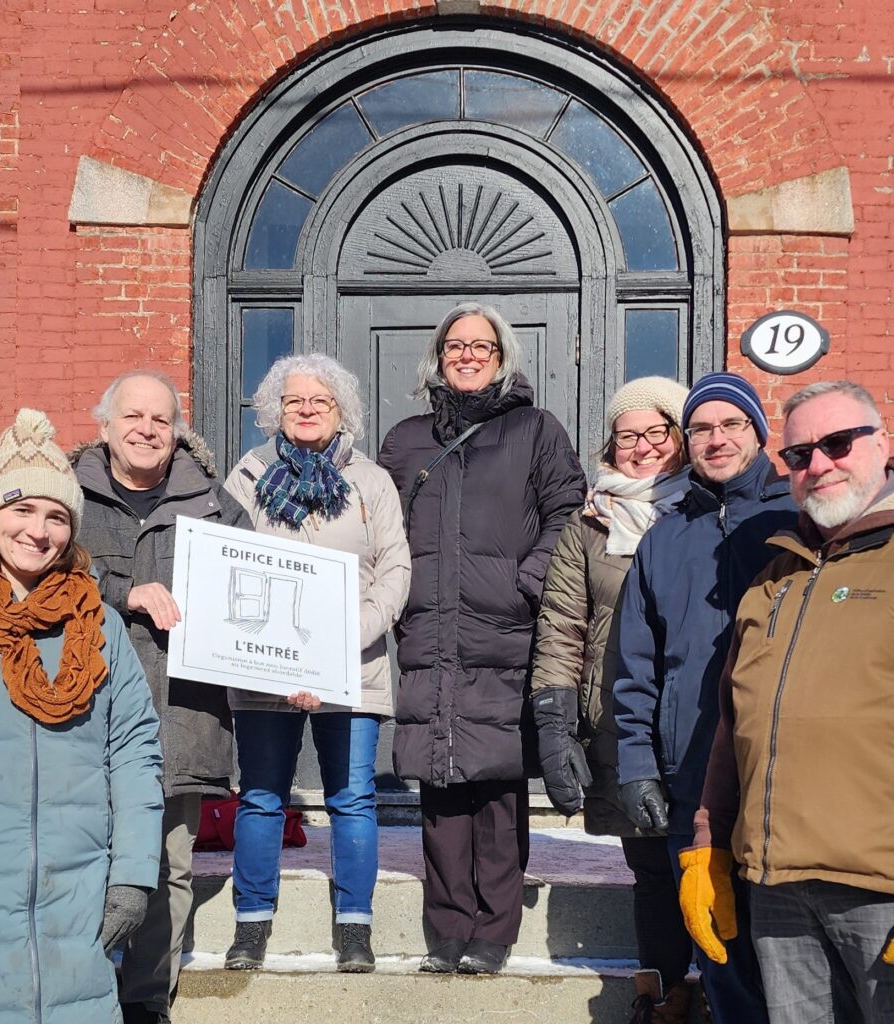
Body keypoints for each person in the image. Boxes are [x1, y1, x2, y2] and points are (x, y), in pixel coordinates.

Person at [680, 379, 894, 1022]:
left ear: (882, 444)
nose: (819, 464)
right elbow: (734, 726)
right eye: (800, 454)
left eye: (838, 442)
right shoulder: (774, 579)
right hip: (777, 889)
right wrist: (709, 842)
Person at [378, 302, 586, 975]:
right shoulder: (407, 440)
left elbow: (568, 512)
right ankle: (446, 930)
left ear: (502, 358)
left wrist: (527, 582)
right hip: (429, 629)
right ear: (438, 358)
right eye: (455, 346)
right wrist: (392, 599)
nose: (467, 355)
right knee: (439, 784)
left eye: (481, 346)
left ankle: (493, 930)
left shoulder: (536, 430)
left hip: (506, 629)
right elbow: (379, 527)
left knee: (497, 784)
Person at [0, 408, 163, 1023]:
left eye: (57, 517)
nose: (38, 532)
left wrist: (133, 874)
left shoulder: (101, 627)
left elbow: (135, 753)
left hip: (76, 909)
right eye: (23, 510)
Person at [613, 371, 797, 1022]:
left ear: (758, 433)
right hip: (691, 773)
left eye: (731, 424)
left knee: (790, 952)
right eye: (700, 429)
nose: (716, 439)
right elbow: (634, 665)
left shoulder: (796, 520)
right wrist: (637, 764)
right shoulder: (664, 539)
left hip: (786, 775)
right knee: (718, 943)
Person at [221, 353, 410, 974]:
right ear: (275, 410)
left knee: (352, 798)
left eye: (319, 401)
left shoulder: (371, 481)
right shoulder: (248, 475)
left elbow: (395, 570)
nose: (306, 410)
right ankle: (251, 925)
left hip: (352, 666)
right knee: (261, 797)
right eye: (294, 400)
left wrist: (338, 646)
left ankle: (355, 927)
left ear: (340, 410)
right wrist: (279, 660)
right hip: (264, 667)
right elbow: (228, 566)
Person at [73, 371, 251, 1024]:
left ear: (177, 432)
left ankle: (147, 1000)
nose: (146, 430)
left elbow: (253, 597)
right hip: (81, 714)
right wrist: (124, 592)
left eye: (160, 420)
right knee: (79, 858)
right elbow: (33, 570)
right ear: (105, 426)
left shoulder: (216, 506)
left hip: (181, 714)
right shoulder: (65, 497)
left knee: (169, 865)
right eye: (133, 416)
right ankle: (79, 988)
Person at [530, 376, 695, 1022]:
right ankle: (664, 993)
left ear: (680, 439)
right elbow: (561, 625)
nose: (643, 447)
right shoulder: (589, 524)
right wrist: (555, 722)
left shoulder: (709, 512)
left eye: (657, 432)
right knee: (650, 868)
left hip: (699, 723)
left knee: (707, 861)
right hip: (621, 725)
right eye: (628, 436)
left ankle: (720, 990)